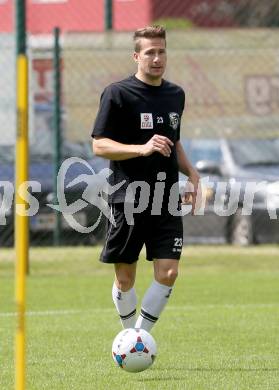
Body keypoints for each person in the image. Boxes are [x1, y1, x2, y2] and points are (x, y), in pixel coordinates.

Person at [91, 25, 200, 332]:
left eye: (161, 51)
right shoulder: (118, 94)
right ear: (136, 56)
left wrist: (191, 172)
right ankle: (129, 334)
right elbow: (99, 145)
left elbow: (173, 142)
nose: (157, 58)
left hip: (166, 199)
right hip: (128, 197)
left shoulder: (175, 94)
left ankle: (137, 339)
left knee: (168, 273)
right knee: (126, 279)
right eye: (150, 52)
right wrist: (141, 149)